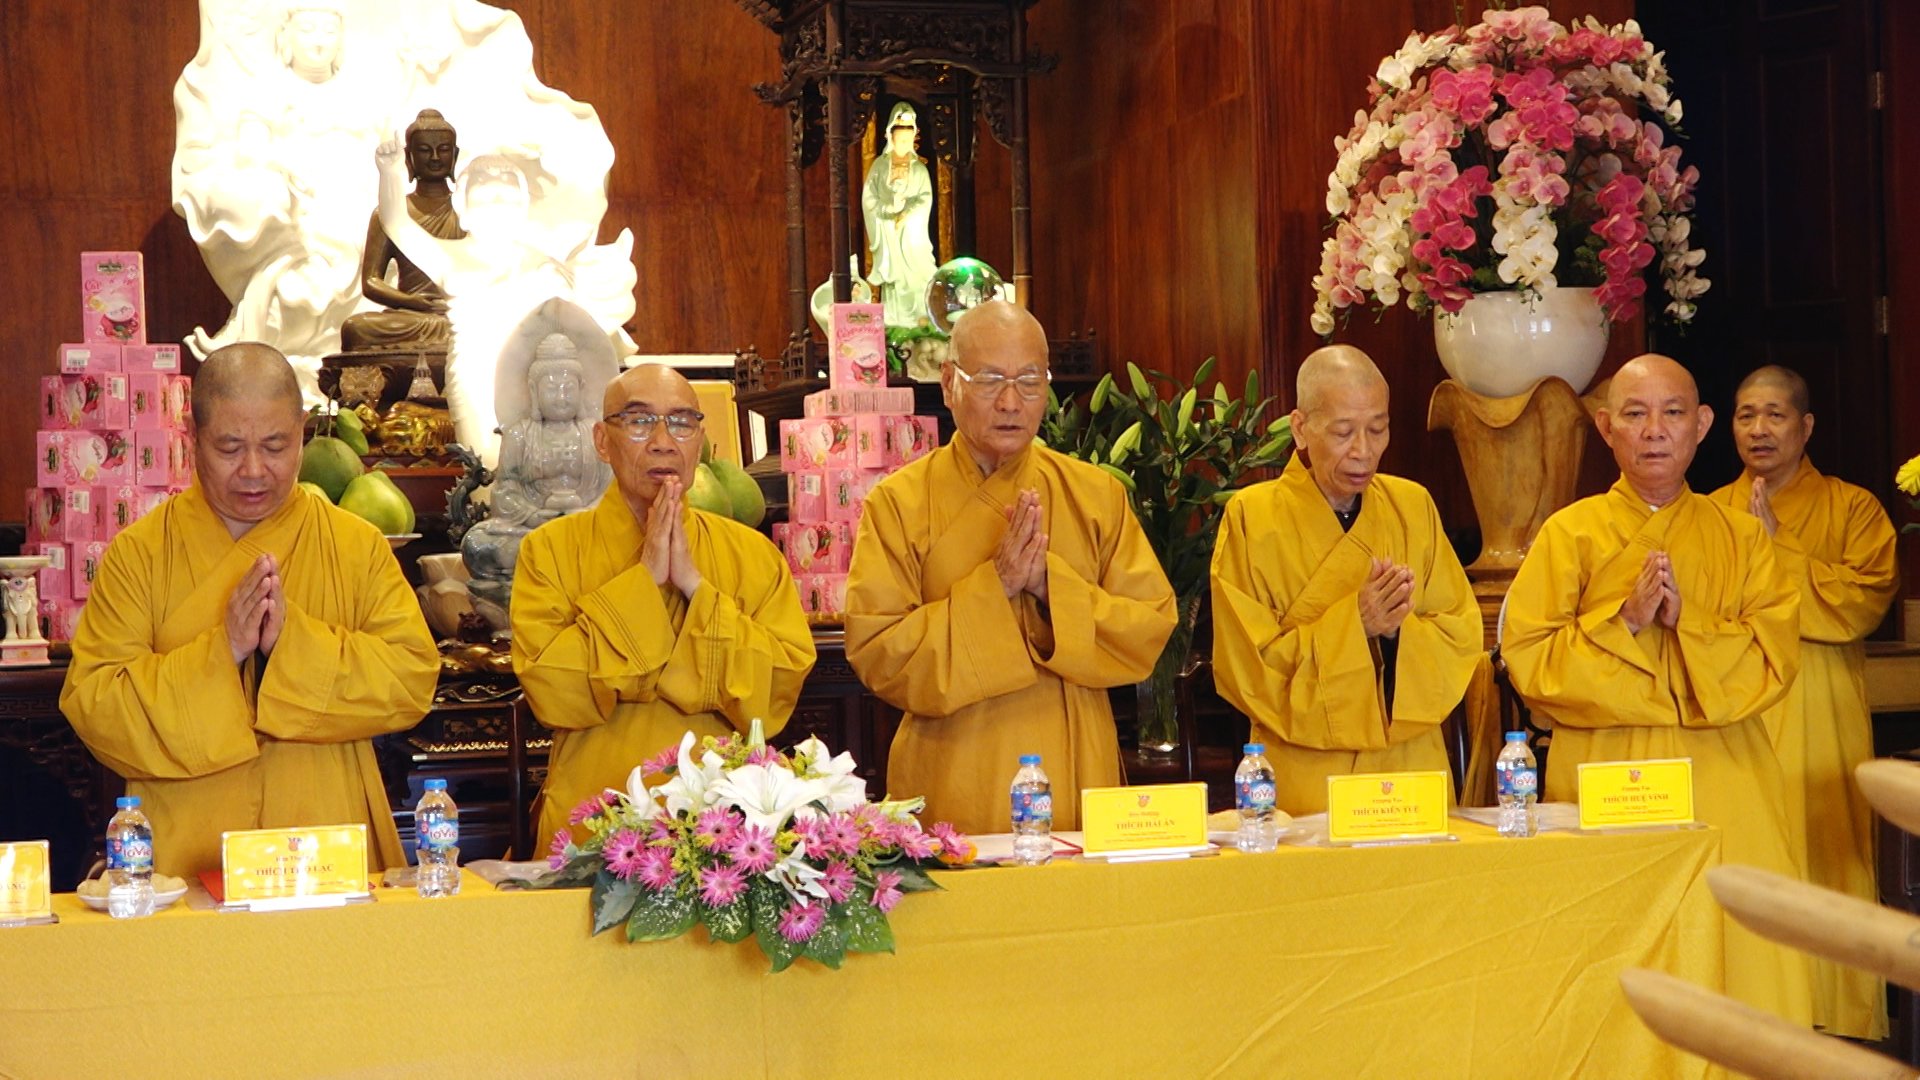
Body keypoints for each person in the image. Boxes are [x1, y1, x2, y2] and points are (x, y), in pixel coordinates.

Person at [1502, 353, 1811, 1023]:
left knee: (1737, 954)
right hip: (1606, 769)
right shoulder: (1569, 534)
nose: (1654, 431)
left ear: (1701, 425)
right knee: (1613, 950)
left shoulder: (1742, 537)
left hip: (1724, 770)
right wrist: (1624, 623)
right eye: (1635, 415)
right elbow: (1528, 658)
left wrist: (1687, 624)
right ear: (1606, 427)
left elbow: (1774, 656)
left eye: (1673, 413)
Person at [60, 343, 439, 878]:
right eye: (230, 447)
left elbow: (412, 678)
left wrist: (293, 644)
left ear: (302, 432)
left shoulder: (356, 547)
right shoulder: (138, 556)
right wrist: (223, 651)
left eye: (275, 445)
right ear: (192, 439)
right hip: (186, 858)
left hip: (326, 852)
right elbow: (96, 705)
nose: (254, 470)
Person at [844, 301, 1177, 833]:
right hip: (954, 769)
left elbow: (1148, 628)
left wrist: (1049, 584)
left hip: (1075, 767)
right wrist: (995, 585)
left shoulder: (1095, 495)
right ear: (949, 383)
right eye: (989, 380)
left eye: (1028, 382)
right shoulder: (897, 504)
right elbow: (879, 652)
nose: (1010, 402)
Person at [512, 364, 815, 844]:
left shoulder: (753, 555)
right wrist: (645, 582)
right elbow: (552, 689)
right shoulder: (549, 551)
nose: (663, 442)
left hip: (724, 827)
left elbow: (776, 692)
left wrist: (695, 587)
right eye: (638, 421)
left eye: (681, 423)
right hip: (595, 815)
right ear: (602, 440)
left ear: (700, 441)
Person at [1708, 364, 1897, 1039]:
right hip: (1738, 709)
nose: (1759, 429)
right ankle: (1748, 1007)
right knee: (1744, 849)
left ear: (1806, 426)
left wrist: (1775, 550)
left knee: (1825, 849)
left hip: (1821, 707)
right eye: (1745, 415)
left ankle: (1834, 1016)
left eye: (1775, 414)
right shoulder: (1710, 512)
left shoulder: (1854, 509)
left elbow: (1861, 603)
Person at [1211, 345, 1481, 814]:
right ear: (1300, 429)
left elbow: (1459, 635)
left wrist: (1398, 633)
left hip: (1408, 766)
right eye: (1343, 432)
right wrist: (1355, 624)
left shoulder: (1413, 506)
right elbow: (1247, 667)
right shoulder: (1251, 518)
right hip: (1307, 773)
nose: (1363, 450)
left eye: (1377, 429)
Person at [339, 108, 463, 353]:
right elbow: (371, 281)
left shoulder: (467, 208)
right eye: (424, 150)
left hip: (459, 312)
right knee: (355, 328)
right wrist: (412, 301)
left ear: (455, 155)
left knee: (487, 323)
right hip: (412, 316)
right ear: (409, 157)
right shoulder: (388, 213)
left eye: (443, 149)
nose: (435, 157)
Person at [861, 102, 938, 329]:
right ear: (890, 137)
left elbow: (925, 198)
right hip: (889, 235)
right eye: (900, 138)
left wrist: (906, 214)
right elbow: (869, 199)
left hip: (912, 236)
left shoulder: (919, 169)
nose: (904, 143)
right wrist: (887, 211)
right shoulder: (879, 167)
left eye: (908, 138)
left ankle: (920, 322)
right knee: (894, 283)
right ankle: (894, 323)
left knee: (917, 279)